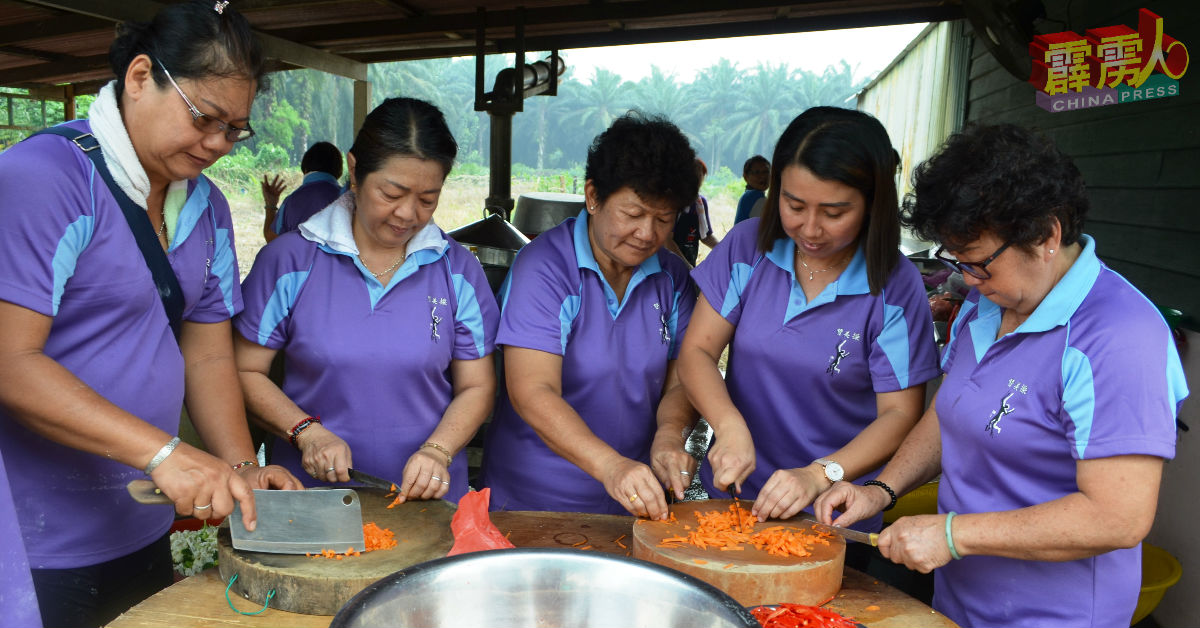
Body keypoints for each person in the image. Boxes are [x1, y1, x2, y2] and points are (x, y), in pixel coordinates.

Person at [815, 123, 1187, 628]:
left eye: (980, 263)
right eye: (959, 262)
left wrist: (952, 536)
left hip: (1057, 615)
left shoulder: (1120, 338)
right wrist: (880, 490)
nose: (968, 279)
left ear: (1047, 235)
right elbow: (951, 415)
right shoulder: (985, 304)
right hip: (963, 599)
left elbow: (1118, 516)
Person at [0, 2, 301, 626]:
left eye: (235, 129)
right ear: (141, 77)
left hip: (140, 519)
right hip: (37, 537)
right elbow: (9, 361)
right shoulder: (46, 179)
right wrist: (166, 455)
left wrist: (244, 466)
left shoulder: (208, 208)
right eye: (205, 119)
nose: (218, 144)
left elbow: (209, 351)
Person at [677, 107, 940, 542]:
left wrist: (822, 474)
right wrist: (728, 425)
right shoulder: (747, 248)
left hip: (832, 513)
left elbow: (899, 414)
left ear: (872, 203)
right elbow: (698, 352)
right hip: (733, 499)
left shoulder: (895, 285)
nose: (810, 229)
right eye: (794, 205)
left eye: (834, 212)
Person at [235, 97, 499, 504]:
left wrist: (438, 450)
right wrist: (306, 432)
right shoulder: (290, 260)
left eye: (428, 199)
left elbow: (477, 385)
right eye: (392, 193)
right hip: (307, 501)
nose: (407, 214)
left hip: (428, 503)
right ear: (354, 171)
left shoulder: (458, 270)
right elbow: (245, 372)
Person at [479, 112, 701, 519]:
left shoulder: (672, 278)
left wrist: (670, 436)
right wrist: (610, 466)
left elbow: (683, 378)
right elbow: (533, 390)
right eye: (633, 215)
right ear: (593, 197)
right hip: (534, 505)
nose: (648, 234)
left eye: (663, 219)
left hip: (634, 500)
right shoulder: (546, 269)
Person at [261, 141, 344, 243]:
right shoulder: (349, 199)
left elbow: (272, 239)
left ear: (305, 170)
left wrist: (270, 205)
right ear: (339, 172)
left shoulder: (291, 202)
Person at [668, 159, 720, 266]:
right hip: (669, 264)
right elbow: (667, 240)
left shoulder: (700, 203)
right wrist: (687, 267)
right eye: (692, 173)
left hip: (689, 259)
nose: (697, 177)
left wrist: (726, 250)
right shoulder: (673, 201)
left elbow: (706, 237)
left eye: (700, 174)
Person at [733, 155, 770, 224]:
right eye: (757, 172)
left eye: (766, 172)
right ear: (745, 176)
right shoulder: (756, 197)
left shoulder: (747, 195)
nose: (763, 176)